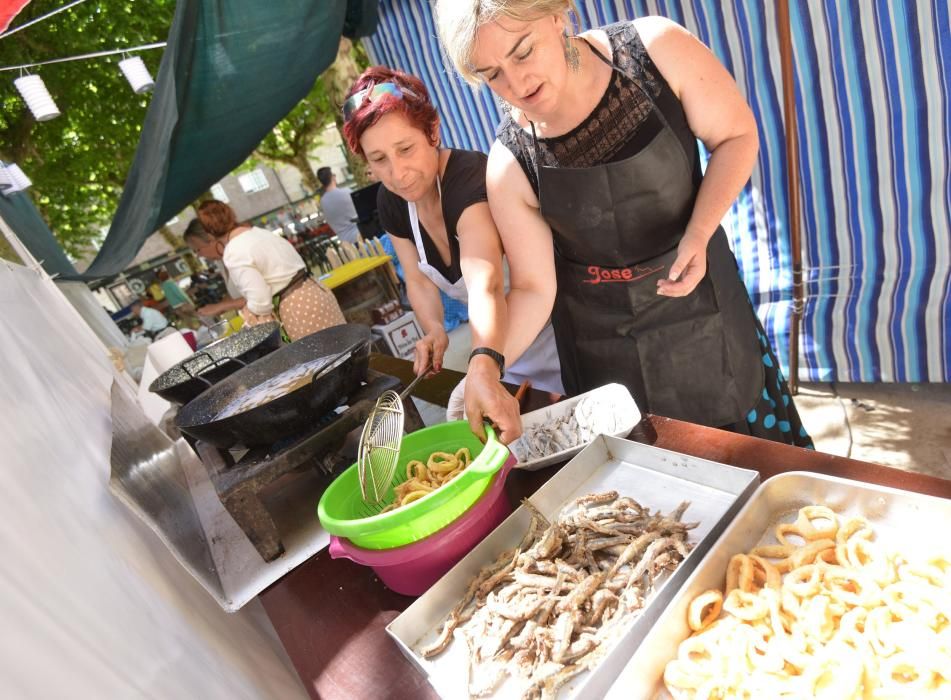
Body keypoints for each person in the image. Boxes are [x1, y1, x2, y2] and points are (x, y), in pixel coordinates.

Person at [435, 1, 813, 448]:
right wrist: (484, 365)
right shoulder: (509, 164)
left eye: (522, 52)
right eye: (493, 74)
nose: (516, 83)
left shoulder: (654, 51)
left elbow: (735, 135)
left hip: (709, 321)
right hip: (605, 360)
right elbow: (535, 288)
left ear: (557, 15)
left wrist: (699, 230)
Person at [341, 66, 563, 413]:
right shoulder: (392, 201)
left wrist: (482, 362)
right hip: (503, 354)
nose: (397, 174)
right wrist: (434, 330)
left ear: (432, 131)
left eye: (405, 149)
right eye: (379, 160)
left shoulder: (468, 176)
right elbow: (417, 279)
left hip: (558, 331)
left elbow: (484, 282)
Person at [193, 202, 346, 341]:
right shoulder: (258, 232)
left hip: (298, 308)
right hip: (315, 291)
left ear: (210, 235)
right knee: (345, 351)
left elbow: (260, 302)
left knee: (323, 365)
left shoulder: (234, 251)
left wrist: (248, 319)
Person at [183, 220, 247, 318]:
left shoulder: (240, 255)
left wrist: (221, 307)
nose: (198, 255)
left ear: (211, 239)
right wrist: (214, 309)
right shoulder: (221, 261)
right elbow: (235, 294)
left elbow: (260, 296)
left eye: (198, 250)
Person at [317, 167, 362, 244]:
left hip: (346, 243)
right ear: (333, 177)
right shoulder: (347, 192)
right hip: (361, 235)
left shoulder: (322, 202)